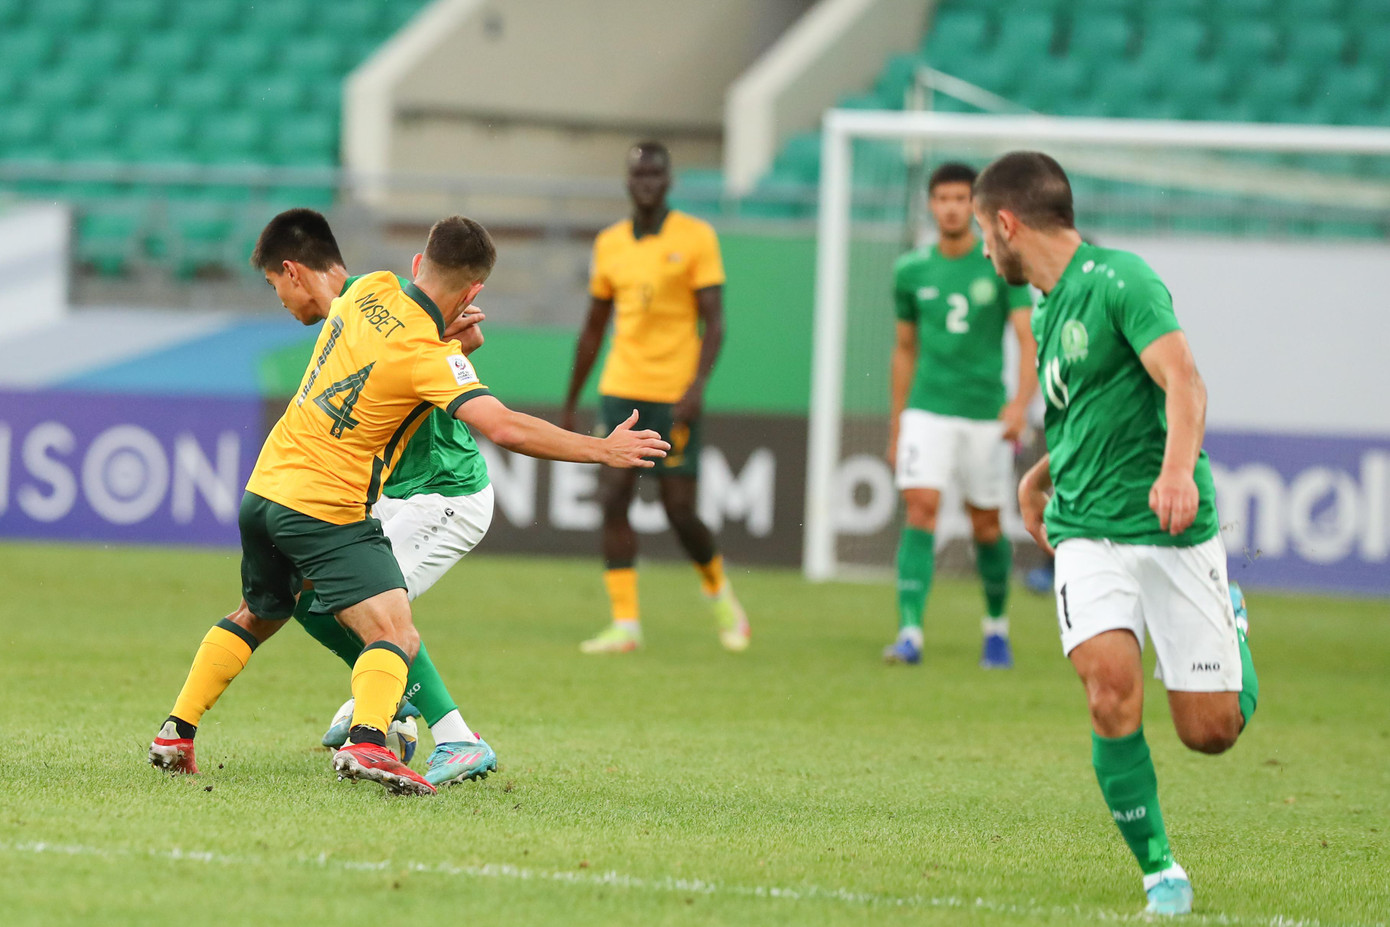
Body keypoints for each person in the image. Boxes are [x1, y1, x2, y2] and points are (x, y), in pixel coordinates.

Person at [149, 215, 669, 795]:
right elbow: (504, 427)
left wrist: (445, 341)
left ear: (418, 264)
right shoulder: (429, 355)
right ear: (474, 292)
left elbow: (374, 340)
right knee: (395, 631)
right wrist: (602, 448)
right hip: (329, 506)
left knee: (263, 611)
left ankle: (177, 731)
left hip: (266, 489)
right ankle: (379, 736)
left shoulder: (368, 288)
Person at [973, 151, 1259, 916]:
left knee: (1210, 731)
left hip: (1170, 528)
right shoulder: (1045, 306)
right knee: (1108, 693)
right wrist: (1037, 479)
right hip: (1085, 533)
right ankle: (1160, 869)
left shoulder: (1123, 280)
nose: (984, 251)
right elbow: (1078, 414)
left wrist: (1176, 471)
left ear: (1008, 224)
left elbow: (1185, 381)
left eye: (984, 233)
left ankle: (1230, 622)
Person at [249, 208, 499, 789]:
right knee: (305, 593)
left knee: (366, 611)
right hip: (394, 494)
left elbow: (443, 370)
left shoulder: (373, 303)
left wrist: (455, 346)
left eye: (274, 284)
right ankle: (391, 705)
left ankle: (452, 735)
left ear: (292, 272)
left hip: (443, 491)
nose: (280, 300)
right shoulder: (372, 308)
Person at [561, 141, 749, 654]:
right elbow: (593, 327)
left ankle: (721, 596)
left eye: (655, 174)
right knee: (613, 499)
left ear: (668, 181)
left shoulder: (696, 237)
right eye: (638, 174)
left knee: (679, 510)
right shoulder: (610, 243)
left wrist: (697, 386)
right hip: (621, 390)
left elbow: (715, 322)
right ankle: (625, 624)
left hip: (673, 395)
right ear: (628, 182)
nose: (646, 183)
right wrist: (572, 398)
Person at [885, 162, 1037, 669]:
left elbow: (1027, 337)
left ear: (974, 207)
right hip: (927, 409)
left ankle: (996, 628)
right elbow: (904, 349)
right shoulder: (910, 271)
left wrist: (1019, 404)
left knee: (986, 526)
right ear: (930, 205)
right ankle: (910, 632)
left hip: (984, 413)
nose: (950, 208)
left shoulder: (1000, 262)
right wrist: (897, 423)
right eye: (942, 198)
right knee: (920, 507)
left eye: (959, 199)